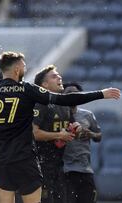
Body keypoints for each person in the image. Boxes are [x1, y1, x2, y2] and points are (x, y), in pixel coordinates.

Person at [0, 51, 120, 203]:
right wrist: (100, 94)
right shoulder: (27, 89)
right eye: (24, 66)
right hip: (25, 160)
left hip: (2, 161)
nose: (25, 69)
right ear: (17, 69)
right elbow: (64, 99)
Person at [32, 65, 76, 203]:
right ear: (44, 85)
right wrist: (59, 136)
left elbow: (71, 127)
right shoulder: (40, 103)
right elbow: (34, 133)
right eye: (54, 76)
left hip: (58, 164)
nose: (59, 77)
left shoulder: (64, 103)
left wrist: (76, 128)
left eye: (58, 75)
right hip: (40, 164)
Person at [63, 82, 102, 203]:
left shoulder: (87, 115)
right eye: (69, 93)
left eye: (76, 93)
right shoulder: (56, 115)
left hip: (84, 170)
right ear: (62, 95)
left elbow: (99, 136)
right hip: (64, 170)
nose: (73, 95)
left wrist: (89, 134)